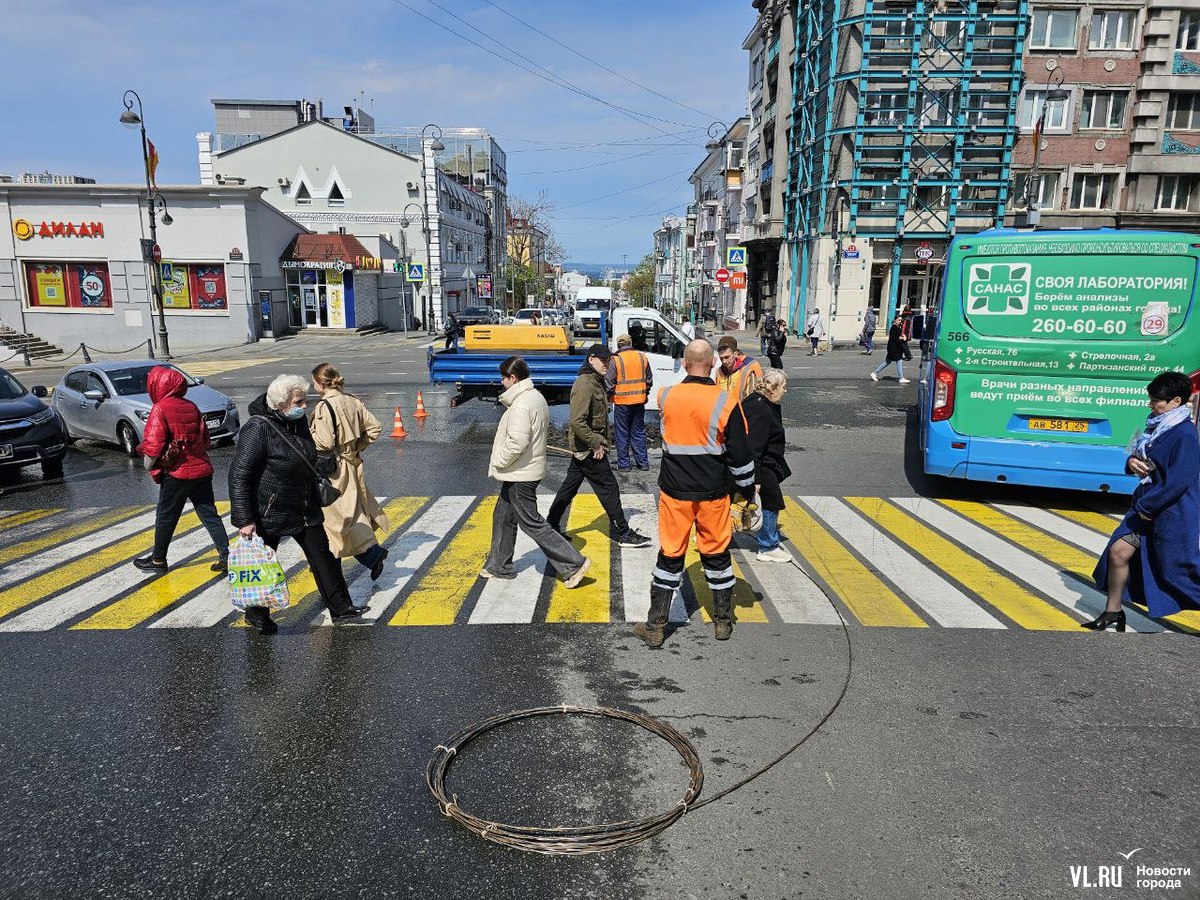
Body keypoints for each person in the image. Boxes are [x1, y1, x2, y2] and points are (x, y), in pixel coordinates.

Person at [633, 339, 756, 648]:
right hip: (714, 493)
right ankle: (723, 622)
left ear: (685, 365)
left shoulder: (667, 396)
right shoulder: (726, 402)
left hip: (675, 493)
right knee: (716, 555)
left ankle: (656, 626)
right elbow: (741, 456)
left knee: (671, 555)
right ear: (713, 363)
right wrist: (747, 492)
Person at [229, 374, 366, 633]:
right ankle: (257, 615)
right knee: (262, 564)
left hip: (304, 505)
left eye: (304, 401)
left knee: (323, 557)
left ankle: (341, 608)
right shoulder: (258, 428)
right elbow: (239, 474)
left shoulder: (298, 420)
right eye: (298, 402)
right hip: (269, 509)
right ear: (280, 404)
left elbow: (306, 453)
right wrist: (244, 520)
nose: (304, 407)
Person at [1089, 372, 1200, 631]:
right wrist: (1131, 463)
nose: (1151, 404)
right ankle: (1113, 612)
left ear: (1176, 401)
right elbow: (1137, 453)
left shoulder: (1184, 434)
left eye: (1156, 400)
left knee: (1178, 574)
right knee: (1118, 552)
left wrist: (1148, 508)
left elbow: (1179, 481)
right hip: (1146, 507)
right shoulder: (1156, 425)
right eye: (1150, 398)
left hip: (1171, 513)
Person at [482, 356, 592, 587]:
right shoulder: (535, 397)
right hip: (522, 471)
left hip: (521, 472)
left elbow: (518, 442)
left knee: (532, 523)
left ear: (513, 378)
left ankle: (574, 564)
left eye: (504, 377)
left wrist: (500, 461)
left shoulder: (522, 404)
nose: (501, 382)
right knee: (503, 516)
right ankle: (499, 566)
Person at [548, 344, 652, 548]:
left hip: (586, 448)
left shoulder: (596, 381)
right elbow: (577, 422)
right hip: (589, 449)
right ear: (591, 360)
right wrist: (596, 444)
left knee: (569, 488)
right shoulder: (585, 384)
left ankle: (550, 525)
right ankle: (622, 532)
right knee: (609, 487)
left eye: (608, 360)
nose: (607, 364)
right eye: (603, 361)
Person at [133, 366, 230, 574]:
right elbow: (205, 439)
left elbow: (153, 443)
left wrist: (149, 465)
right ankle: (226, 555)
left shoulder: (160, 408)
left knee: (166, 515)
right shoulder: (191, 406)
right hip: (202, 469)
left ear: (157, 385)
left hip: (178, 472)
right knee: (209, 513)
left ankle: (158, 559)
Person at [309, 362, 391, 581]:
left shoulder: (324, 407)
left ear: (320, 383)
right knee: (352, 514)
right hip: (352, 463)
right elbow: (375, 428)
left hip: (334, 470)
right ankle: (369, 555)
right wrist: (355, 447)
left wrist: (308, 439)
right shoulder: (352, 400)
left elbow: (324, 443)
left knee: (336, 519)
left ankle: (346, 559)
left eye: (314, 382)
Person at [743, 369, 792, 562]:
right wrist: (755, 478)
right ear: (771, 388)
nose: (785, 391)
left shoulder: (757, 401)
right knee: (771, 503)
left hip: (766, 462)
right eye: (783, 387)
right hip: (763, 464)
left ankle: (713, 535)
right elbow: (754, 445)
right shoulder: (761, 409)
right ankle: (767, 546)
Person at [607, 334, 653, 472]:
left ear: (618, 345)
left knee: (622, 433)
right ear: (630, 342)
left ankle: (624, 465)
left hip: (621, 403)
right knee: (638, 432)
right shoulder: (642, 357)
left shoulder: (615, 360)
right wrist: (644, 394)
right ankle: (643, 463)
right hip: (639, 401)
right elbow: (649, 380)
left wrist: (609, 397)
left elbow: (609, 383)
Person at [868, 317, 912, 384]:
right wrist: (903, 338)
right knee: (899, 361)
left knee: (887, 362)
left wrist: (903, 335)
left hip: (892, 348)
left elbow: (898, 335)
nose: (900, 321)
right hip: (894, 349)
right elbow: (896, 338)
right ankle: (901, 378)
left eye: (901, 320)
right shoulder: (894, 328)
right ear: (895, 320)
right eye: (898, 320)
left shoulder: (896, 327)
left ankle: (874, 373)